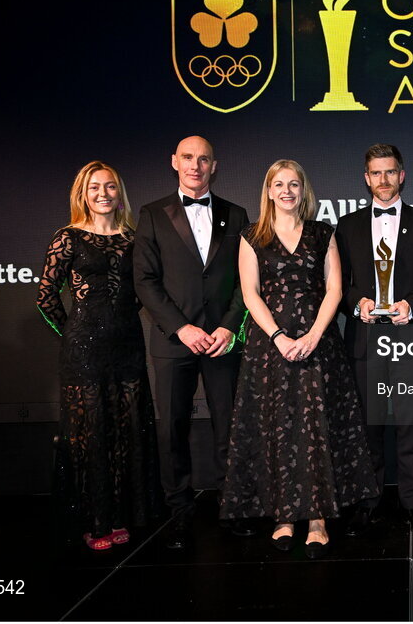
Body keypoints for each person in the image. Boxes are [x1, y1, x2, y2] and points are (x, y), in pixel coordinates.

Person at [220, 159, 378, 559]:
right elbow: (250, 293)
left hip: (318, 345)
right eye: (279, 184)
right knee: (277, 427)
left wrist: (312, 335)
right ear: (268, 190)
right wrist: (278, 337)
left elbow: (334, 289)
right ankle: (284, 516)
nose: (287, 191)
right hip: (269, 349)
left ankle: (319, 519)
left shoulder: (323, 233)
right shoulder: (251, 236)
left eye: (294, 184)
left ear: (303, 190)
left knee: (317, 428)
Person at [132, 136, 250, 549]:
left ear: (214, 166)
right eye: (187, 158)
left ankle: (231, 506)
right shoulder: (150, 214)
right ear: (174, 162)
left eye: (203, 159)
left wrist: (230, 326)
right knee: (173, 430)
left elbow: (245, 282)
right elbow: (144, 281)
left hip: (221, 341)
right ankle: (179, 511)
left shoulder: (237, 215)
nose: (195, 165)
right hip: (174, 343)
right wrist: (181, 328)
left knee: (229, 430)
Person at [37, 161, 161, 551]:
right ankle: (95, 521)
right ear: (82, 195)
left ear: (119, 193)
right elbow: (45, 298)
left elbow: (147, 293)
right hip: (84, 351)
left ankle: (124, 515)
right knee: (91, 435)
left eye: (109, 187)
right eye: (94, 188)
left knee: (128, 431)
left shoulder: (134, 240)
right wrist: (73, 333)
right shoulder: (68, 237)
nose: (103, 194)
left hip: (127, 347)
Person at [335, 144, 413, 537]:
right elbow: (338, 284)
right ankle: (368, 501)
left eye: (390, 172)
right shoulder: (347, 226)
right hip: (364, 339)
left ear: (402, 175)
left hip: (409, 336)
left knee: (411, 425)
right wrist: (355, 303)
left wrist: (410, 306)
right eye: (376, 173)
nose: (383, 180)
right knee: (368, 427)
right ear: (366, 178)